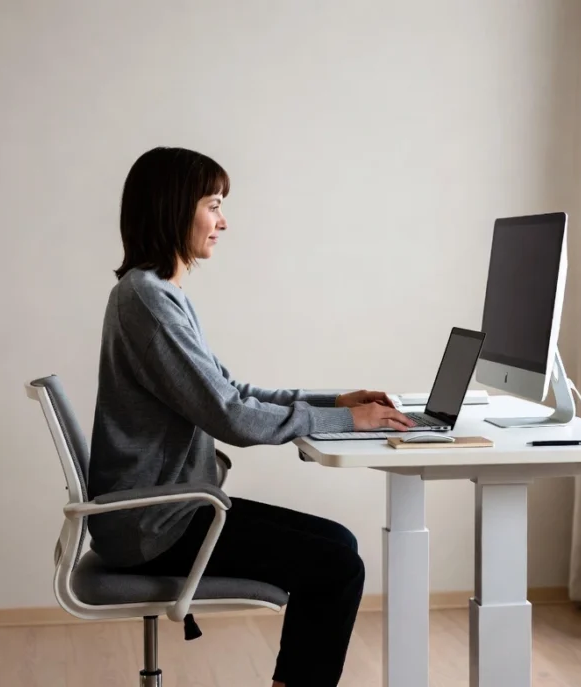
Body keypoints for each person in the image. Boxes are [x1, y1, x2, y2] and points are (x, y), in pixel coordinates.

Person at [88, 146, 416, 687]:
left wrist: (336, 402)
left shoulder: (159, 294)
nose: (223, 222)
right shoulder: (147, 301)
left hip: (165, 511)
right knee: (337, 567)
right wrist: (346, 423)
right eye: (213, 205)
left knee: (339, 544)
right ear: (174, 208)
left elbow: (231, 391)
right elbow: (233, 418)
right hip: (155, 525)